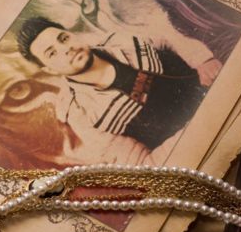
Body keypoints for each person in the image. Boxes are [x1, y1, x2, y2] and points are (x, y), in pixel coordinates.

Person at [17, 16, 223, 150]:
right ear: (49, 70)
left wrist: (202, 60)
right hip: (194, 146)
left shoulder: (121, 40)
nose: (66, 49)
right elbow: (140, 161)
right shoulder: (81, 115)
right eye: (52, 53)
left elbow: (170, 38)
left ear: (72, 35)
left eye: (63, 39)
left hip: (216, 96)